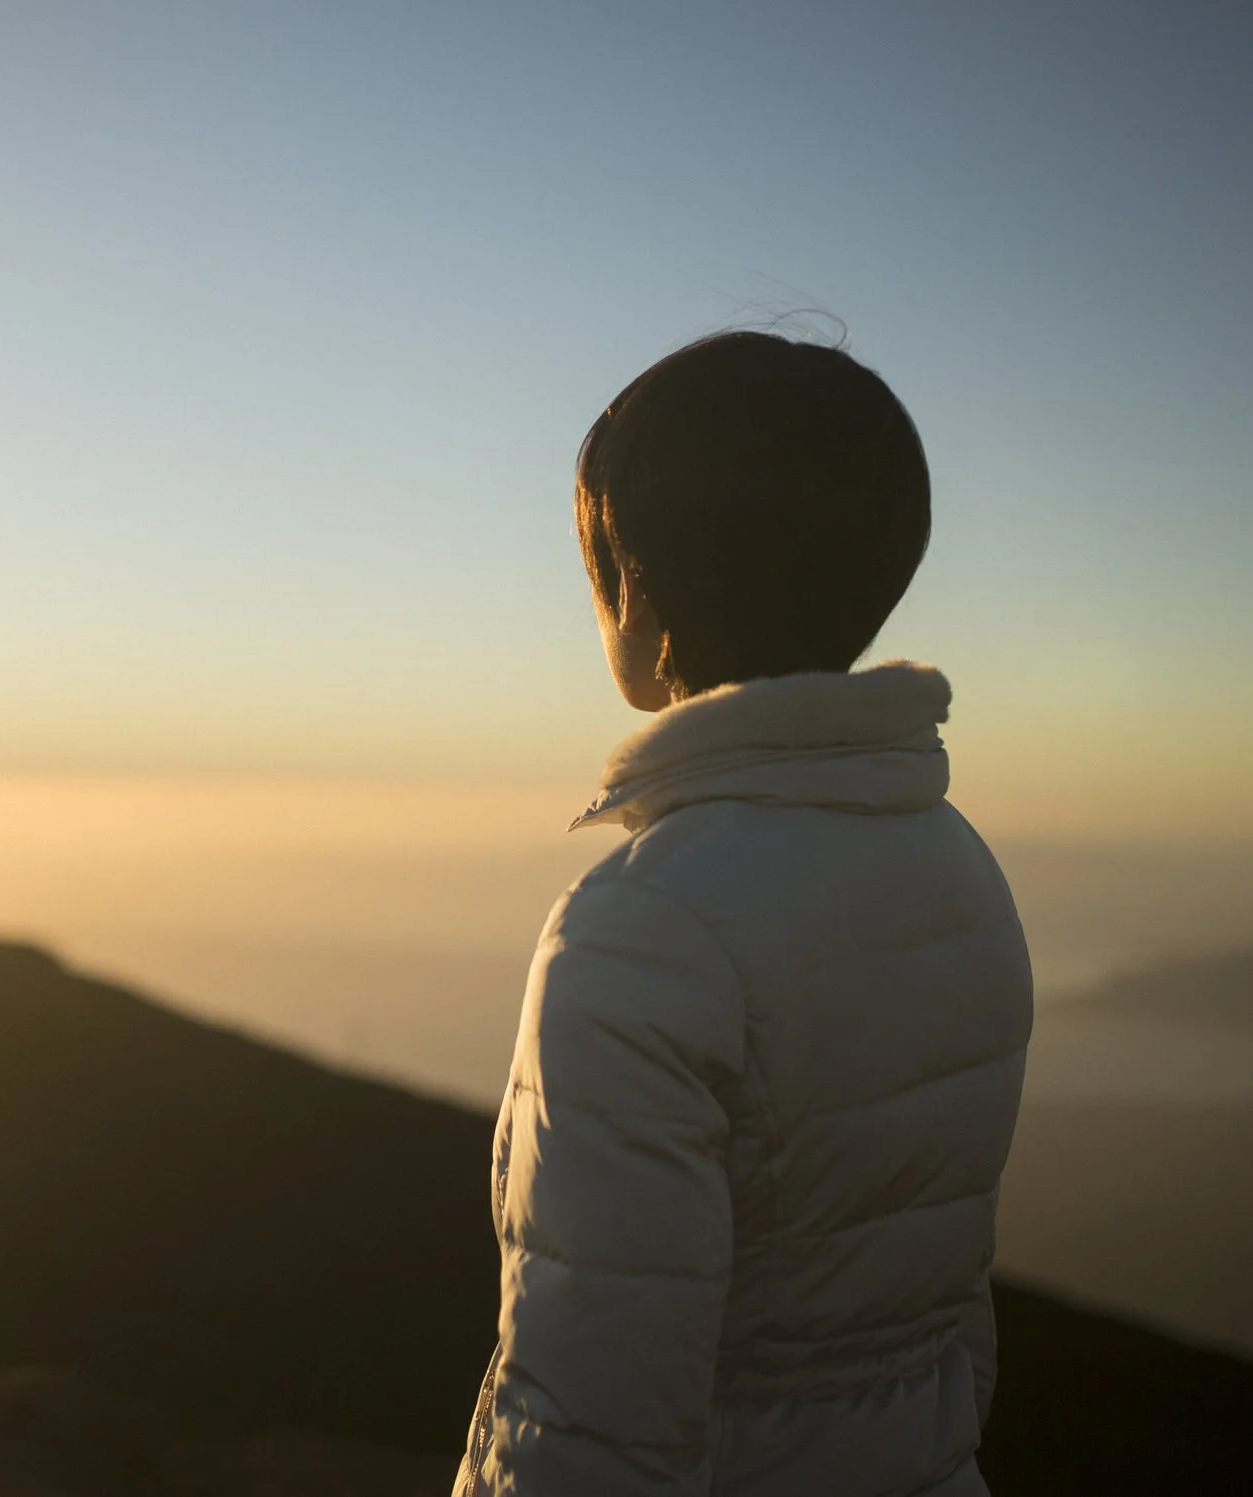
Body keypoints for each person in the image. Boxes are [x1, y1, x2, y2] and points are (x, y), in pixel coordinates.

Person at [457, 332, 1033, 1497]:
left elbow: (588, 1417)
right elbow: (952, 1306)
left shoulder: (639, 930)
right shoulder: (955, 861)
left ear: (638, 590)